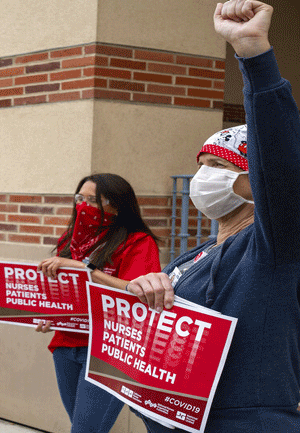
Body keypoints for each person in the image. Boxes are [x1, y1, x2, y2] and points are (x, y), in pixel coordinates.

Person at [126, 1, 300, 430]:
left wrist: (254, 56)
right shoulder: (197, 255)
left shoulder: (273, 246)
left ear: (257, 181)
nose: (204, 177)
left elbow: (280, 160)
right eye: (203, 164)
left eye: (220, 166)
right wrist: (146, 292)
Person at [35, 173, 161, 433]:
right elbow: (64, 290)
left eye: (93, 200)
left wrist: (85, 269)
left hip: (110, 349)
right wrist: (51, 313)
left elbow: (137, 293)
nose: (83, 206)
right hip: (67, 345)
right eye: (79, 198)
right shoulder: (70, 240)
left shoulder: (138, 242)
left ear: (116, 205)